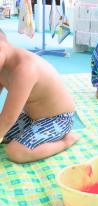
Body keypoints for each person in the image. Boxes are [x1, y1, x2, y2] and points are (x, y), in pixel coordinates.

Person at [0, 29, 78, 163]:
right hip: (31, 118)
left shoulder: (25, 68)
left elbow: (8, 117)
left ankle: (66, 141)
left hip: (57, 119)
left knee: (16, 151)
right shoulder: (2, 66)